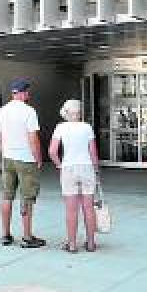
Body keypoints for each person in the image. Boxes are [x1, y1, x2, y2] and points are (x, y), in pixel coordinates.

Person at [0, 78, 45, 248]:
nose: (28, 95)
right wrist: (38, 158)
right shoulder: (29, 111)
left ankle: (5, 234)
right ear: (23, 93)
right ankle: (27, 236)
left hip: (8, 158)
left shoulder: (2, 111)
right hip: (26, 159)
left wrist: (4, 154)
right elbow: (33, 138)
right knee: (27, 197)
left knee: (6, 195)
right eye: (27, 92)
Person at [48, 98, 99, 253]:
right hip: (87, 168)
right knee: (88, 208)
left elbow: (52, 151)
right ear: (79, 112)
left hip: (69, 168)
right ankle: (90, 243)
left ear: (66, 112)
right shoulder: (87, 127)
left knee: (71, 210)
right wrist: (95, 169)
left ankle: (71, 244)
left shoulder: (60, 127)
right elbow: (93, 152)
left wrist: (59, 164)